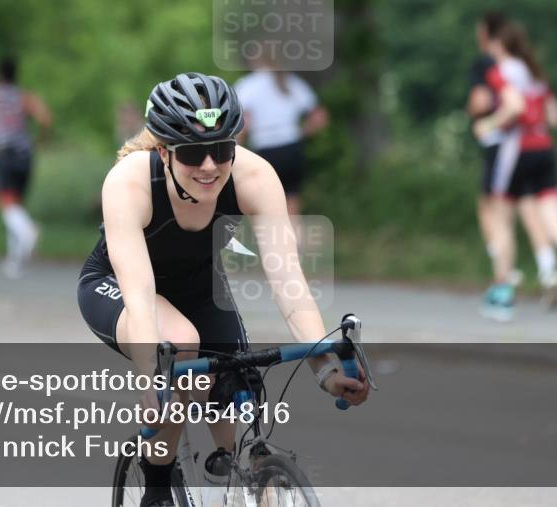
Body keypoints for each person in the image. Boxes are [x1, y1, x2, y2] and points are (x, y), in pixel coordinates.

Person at [78, 72, 368, 507]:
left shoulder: (254, 175)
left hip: (199, 287)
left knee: (232, 382)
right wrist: (148, 379)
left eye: (221, 150)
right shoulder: (129, 182)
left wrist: (325, 368)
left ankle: (233, 487)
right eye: (194, 153)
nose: (210, 166)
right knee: (179, 344)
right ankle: (156, 489)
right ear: (164, 151)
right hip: (119, 286)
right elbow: (140, 295)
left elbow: (288, 280)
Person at [474, 22, 557, 320]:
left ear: (500, 46)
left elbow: (515, 106)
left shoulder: (500, 71)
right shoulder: (537, 73)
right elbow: (554, 117)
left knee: (502, 221)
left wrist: (489, 125)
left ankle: (503, 292)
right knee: (555, 220)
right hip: (544, 149)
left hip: (515, 152)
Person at [467, 12, 557, 291]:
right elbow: (552, 114)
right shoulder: (530, 68)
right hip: (536, 144)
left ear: (490, 37)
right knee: (530, 208)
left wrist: (485, 120)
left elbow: (483, 102)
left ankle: (503, 277)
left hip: (505, 144)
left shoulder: (490, 66)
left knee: (495, 210)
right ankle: (548, 269)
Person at [0, 55, 52, 278]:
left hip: (4, 155)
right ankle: (14, 261)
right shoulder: (24, 97)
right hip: (25, 155)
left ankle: (30, 231)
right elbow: (45, 118)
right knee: (16, 206)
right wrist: (39, 139)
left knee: (8, 206)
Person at [234, 56, 328, 216]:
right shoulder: (291, 82)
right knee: (293, 205)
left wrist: (236, 151)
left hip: (266, 150)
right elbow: (320, 117)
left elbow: (245, 124)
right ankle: (296, 240)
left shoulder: (247, 85)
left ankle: (274, 238)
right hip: (292, 148)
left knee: (269, 207)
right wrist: (300, 133)